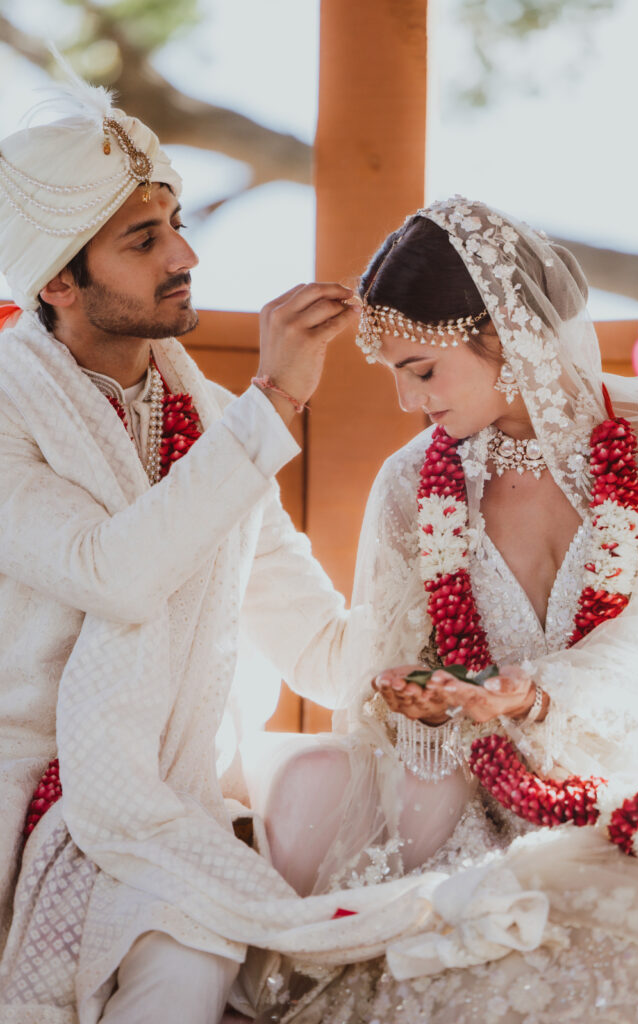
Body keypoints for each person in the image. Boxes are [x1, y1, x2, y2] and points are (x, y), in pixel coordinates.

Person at [0, 77, 520, 1024]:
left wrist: (437, 652)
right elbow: (112, 573)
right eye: (143, 240)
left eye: (177, 224)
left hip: (168, 805)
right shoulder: (9, 412)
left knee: (190, 970)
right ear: (58, 282)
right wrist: (274, 404)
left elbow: (316, 645)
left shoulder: (197, 415)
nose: (186, 255)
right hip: (32, 792)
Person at [247, 197, 638, 1022]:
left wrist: (540, 694)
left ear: (504, 339)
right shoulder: (412, 484)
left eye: (423, 371)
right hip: (473, 810)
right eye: (396, 376)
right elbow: (390, 674)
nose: (409, 405)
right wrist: (423, 701)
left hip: (637, 787)